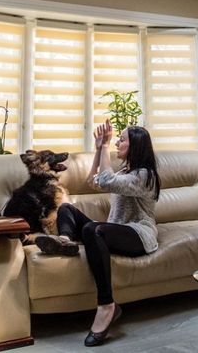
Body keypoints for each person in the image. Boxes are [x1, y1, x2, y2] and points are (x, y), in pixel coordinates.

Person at [36, 118, 161, 347]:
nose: (117, 144)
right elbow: (94, 182)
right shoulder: (126, 171)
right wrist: (97, 150)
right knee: (66, 209)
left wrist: (104, 146)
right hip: (115, 229)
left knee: (93, 229)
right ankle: (65, 241)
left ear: (135, 146)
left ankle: (107, 305)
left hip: (138, 235)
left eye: (121, 140)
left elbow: (105, 180)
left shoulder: (144, 176)